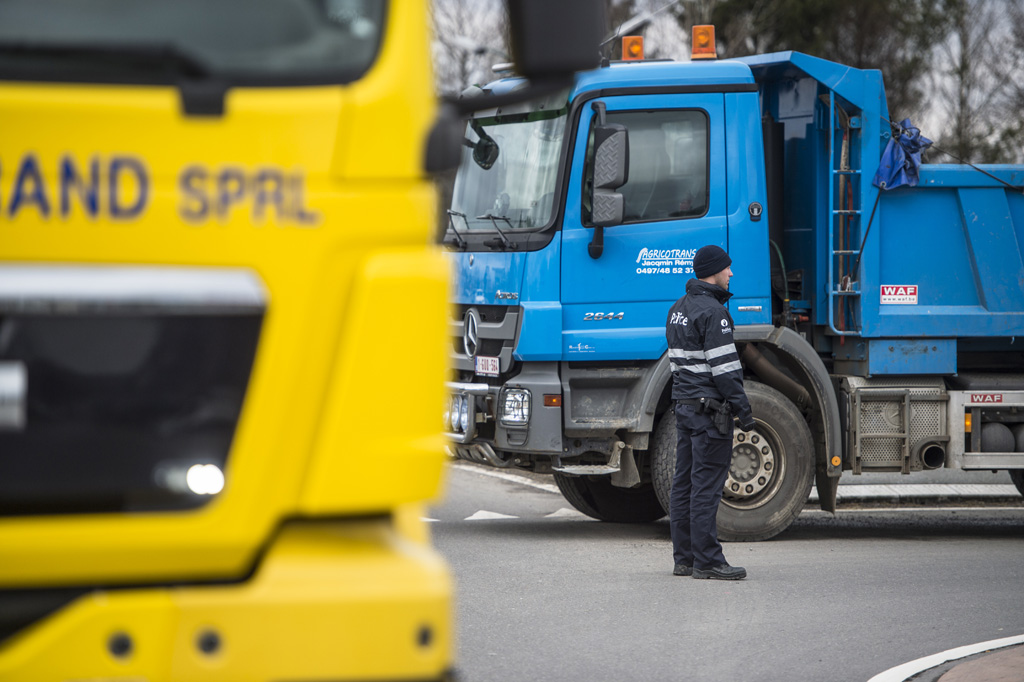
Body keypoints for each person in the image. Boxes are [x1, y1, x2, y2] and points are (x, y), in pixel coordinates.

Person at [665, 244, 755, 580]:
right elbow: (726, 371)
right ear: (714, 271)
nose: (731, 274)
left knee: (684, 484)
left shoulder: (678, 308)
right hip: (709, 414)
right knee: (705, 487)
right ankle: (708, 561)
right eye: (727, 268)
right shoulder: (713, 313)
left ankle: (684, 559)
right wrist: (744, 411)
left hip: (686, 408)